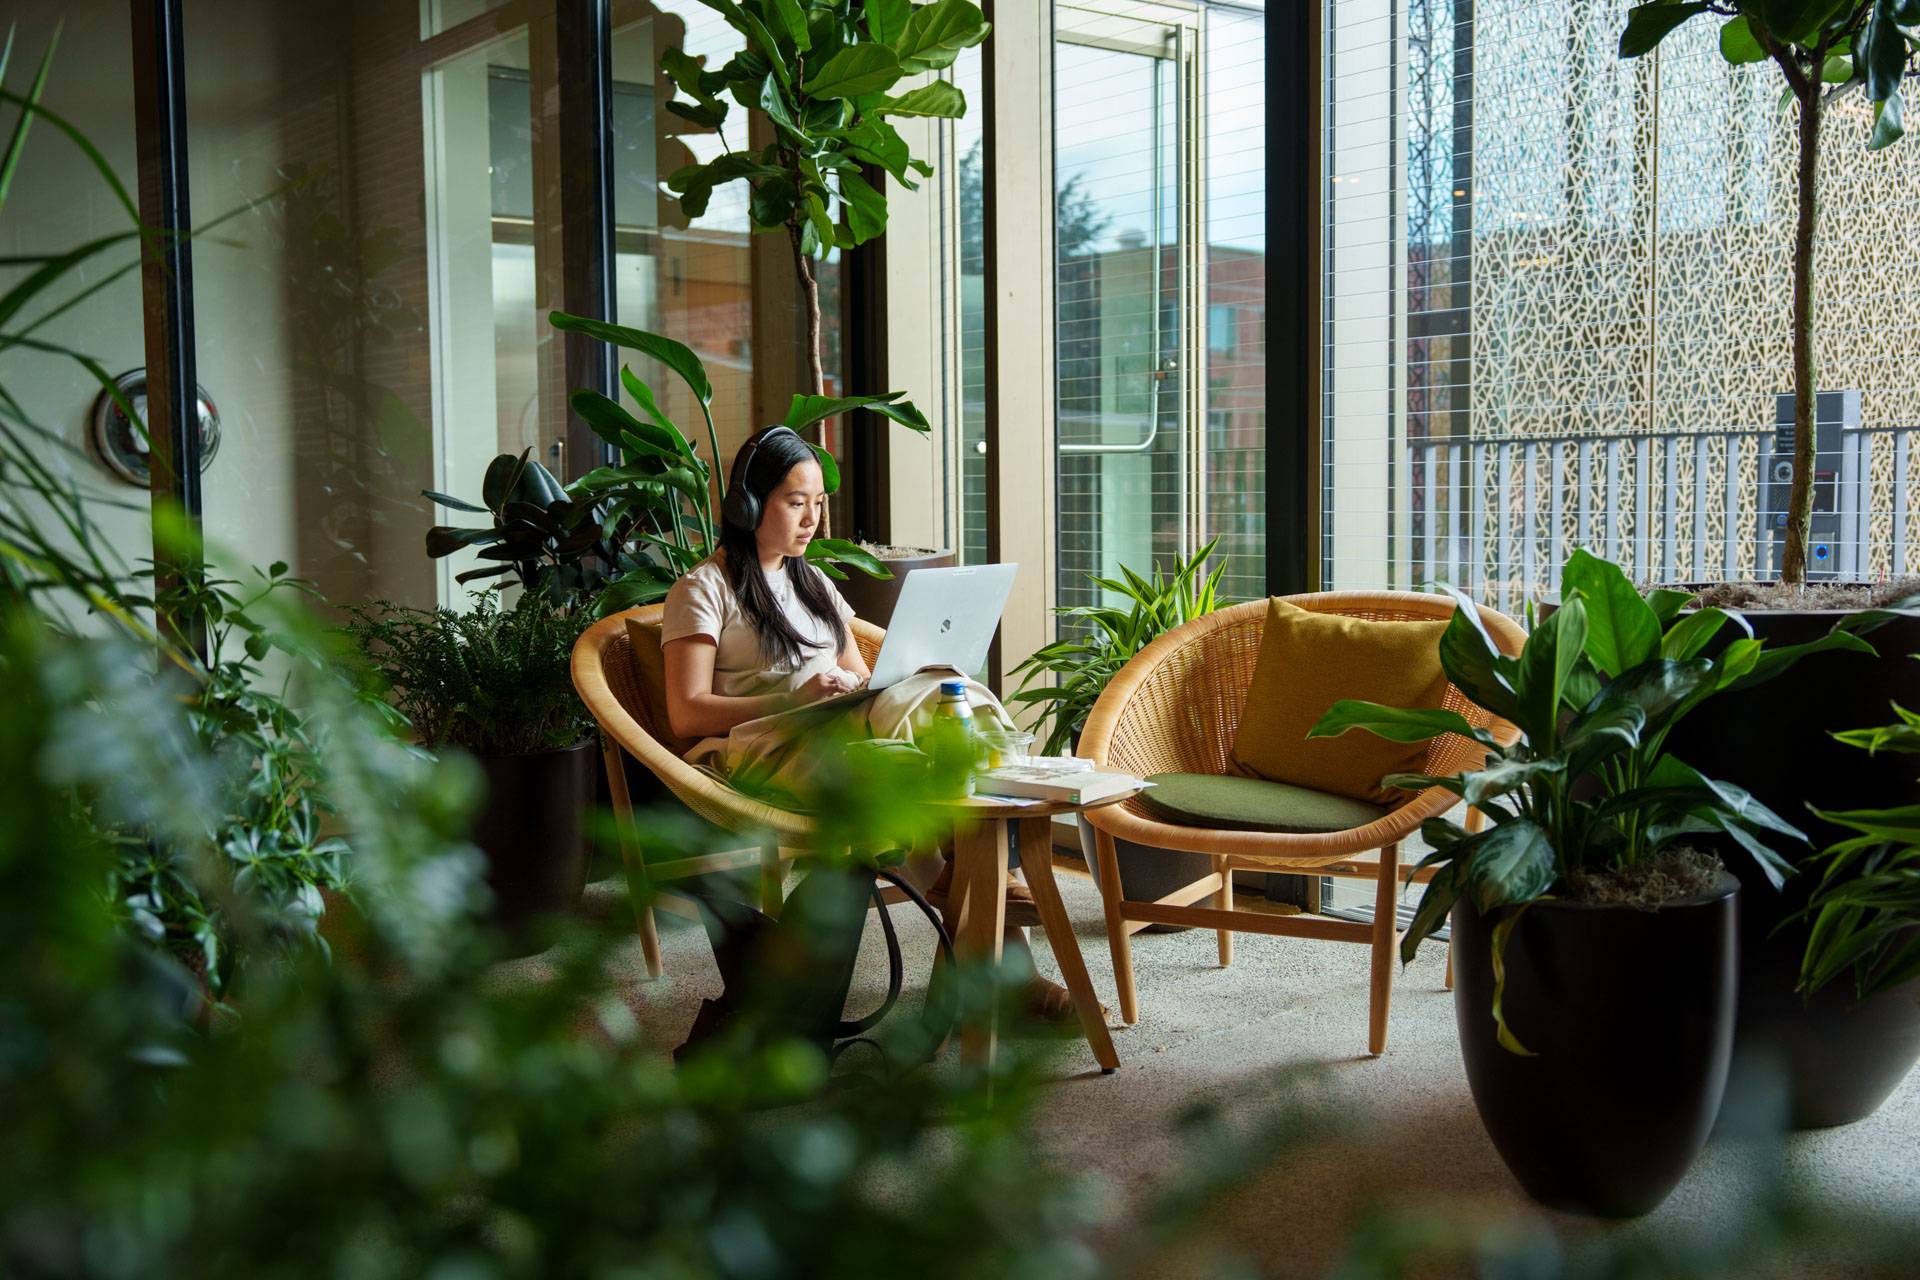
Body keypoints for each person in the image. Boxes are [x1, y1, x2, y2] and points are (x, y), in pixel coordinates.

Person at [660, 425, 1074, 1021]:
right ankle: (981, 899)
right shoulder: (702, 590)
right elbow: (685, 714)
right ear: (747, 504)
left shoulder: (814, 584)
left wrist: (862, 686)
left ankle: (973, 886)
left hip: (839, 734)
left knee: (942, 687)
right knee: (913, 730)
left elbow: (864, 676)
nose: (811, 520)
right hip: (761, 750)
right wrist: (793, 698)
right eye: (795, 503)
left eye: (819, 504)